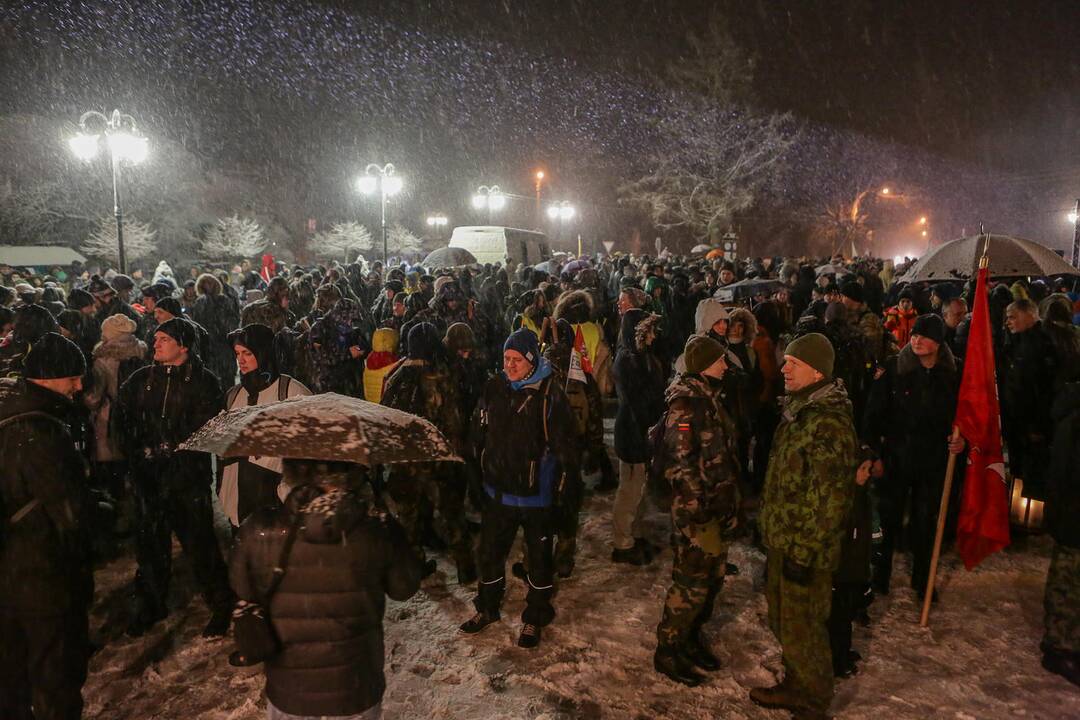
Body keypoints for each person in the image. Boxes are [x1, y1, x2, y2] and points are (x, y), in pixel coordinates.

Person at [229, 459, 421, 720]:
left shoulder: (259, 529)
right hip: (355, 688)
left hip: (290, 690)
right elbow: (404, 588)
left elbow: (242, 587)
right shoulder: (378, 529)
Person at [752, 333, 862, 720]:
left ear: (816, 370)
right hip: (786, 538)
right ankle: (796, 683)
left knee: (804, 628)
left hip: (806, 550)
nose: (783, 368)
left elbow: (830, 502)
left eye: (792, 363)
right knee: (785, 621)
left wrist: (802, 552)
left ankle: (812, 701)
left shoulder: (827, 423)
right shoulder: (802, 410)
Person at [116, 317, 233, 637]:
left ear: (183, 345)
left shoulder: (203, 381)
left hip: (186, 480)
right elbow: (122, 420)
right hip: (148, 480)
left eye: (164, 339)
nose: (156, 343)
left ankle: (221, 602)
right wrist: (138, 451)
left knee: (200, 545)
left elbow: (208, 426)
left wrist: (174, 446)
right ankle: (151, 604)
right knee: (151, 547)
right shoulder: (141, 380)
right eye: (156, 338)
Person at [460, 328, 575, 649]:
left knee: (539, 562)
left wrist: (563, 498)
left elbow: (567, 451)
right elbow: (477, 436)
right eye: (506, 359)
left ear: (531, 360)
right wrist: (475, 478)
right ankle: (487, 607)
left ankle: (535, 617)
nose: (509, 366)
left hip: (537, 497)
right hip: (498, 494)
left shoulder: (550, 395)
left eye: (516, 360)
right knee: (489, 556)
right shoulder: (494, 388)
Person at [0, 334, 93, 720]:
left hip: (6, 570)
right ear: (51, 377)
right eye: (73, 377)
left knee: (10, 674)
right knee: (55, 674)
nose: (79, 386)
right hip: (41, 573)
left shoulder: (7, 414)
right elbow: (68, 515)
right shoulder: (44, 433)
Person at [653, 335, 741, 687]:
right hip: (697, 513)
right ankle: (669, 649)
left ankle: (689, 639)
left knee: (711, 580)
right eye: (720, 360)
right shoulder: (686, 404)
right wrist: (699, 509)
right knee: (690, 582)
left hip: (715, 507)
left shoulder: (710, 397)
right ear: (704, 364)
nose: (725, 365)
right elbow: (681, 464)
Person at [862, 314, 963, 597]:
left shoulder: (954, 373)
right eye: (914, 334)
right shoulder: (895, 369)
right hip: (896, 457)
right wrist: (875, 455)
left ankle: (922, 579)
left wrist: (961, 440)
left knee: (925, 522)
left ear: (939, 342)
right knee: (889, 519)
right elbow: (872, 416)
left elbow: (964, 416)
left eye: (924, 335)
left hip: (933, 461)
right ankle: (879, 576)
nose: (916, 340)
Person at [382, 322, 473, 582]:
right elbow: (455, 420)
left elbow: (385, 417)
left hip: (405, 462)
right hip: (439, 458)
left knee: (409, 517)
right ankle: (465, 566)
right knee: (452, 512)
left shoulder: (396, 377)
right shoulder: (441, 376)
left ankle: (415, 565)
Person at [219, 324, 311, 532]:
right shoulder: (234, 395)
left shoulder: (292, 393)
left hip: (277, 495)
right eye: (237, 354)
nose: (240, 360)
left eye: (247, 353)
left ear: (264, 353)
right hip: (240, 497)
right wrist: (223, 489)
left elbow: (308, 449)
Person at [611, 308, 666, 565]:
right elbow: (639, 401)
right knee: (629, 489)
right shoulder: (628, 361)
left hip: (638, 430)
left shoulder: (639, 356)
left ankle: (629, 534)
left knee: (635, 487)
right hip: (633, 432)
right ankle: (622, 543)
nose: (654, 336)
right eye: (650, 331)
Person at [1001, 298, 1058, 502]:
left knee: (1033, 472)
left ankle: (1031, 516)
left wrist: (1038, 426)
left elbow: (1045, 390)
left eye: (1012, 317)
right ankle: (1018, 509)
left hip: (1033, 426)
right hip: (1017, 422)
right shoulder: (1018, 341)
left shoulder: (1043, 344)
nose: (1008, 322)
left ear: (1030, 315)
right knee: (1018, 469)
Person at [1042, 381, 1080, 687]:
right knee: (1067, 584)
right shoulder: (1074, 418)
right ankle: (1058, 647)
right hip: (1073, 514)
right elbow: (1064, 472)